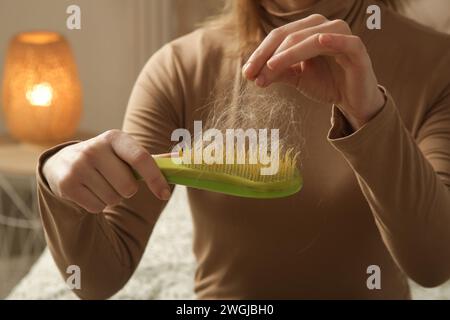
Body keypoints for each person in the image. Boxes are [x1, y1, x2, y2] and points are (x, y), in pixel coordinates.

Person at [38, 0, 450, 299]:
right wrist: (57, 178)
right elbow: (95, 278)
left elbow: (434, 264)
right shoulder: (179, 69)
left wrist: (370, 116)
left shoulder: (437, 66)